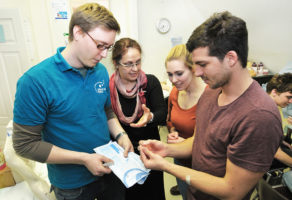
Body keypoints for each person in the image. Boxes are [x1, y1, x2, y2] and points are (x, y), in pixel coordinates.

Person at [139, 11, 282, 200]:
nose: (197, 73)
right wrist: (167, 150)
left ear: (230, 58)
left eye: (203, 64)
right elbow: (199, 140)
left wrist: (167, 166)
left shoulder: (259, 116)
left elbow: (232, 191)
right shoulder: (211, 91)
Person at [12, 3, 133, 200]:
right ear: (78, 32)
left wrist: (121, 135)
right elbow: (25, 144)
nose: (104, 55)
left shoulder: (100, 71)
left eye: (108, 48)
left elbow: (106, 110)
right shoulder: (35, 81)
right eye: (100, 45)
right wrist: (84, 159)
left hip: (111, 168)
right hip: (72, 185)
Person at [110, 37, 167, 200]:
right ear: (116, 63)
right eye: (128, 64)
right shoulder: (108, 88)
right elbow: (107, 119)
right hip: (124, 155)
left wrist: (150, 118)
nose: (135, 68)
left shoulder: (150, 83)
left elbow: (163, 113)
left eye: (138, 62)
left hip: (149, 151)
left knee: (153, 194)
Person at [165, 44, 206, 199]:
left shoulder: (209, 96)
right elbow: (171, 121)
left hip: (202, 165)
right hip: (181, 160)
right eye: (169, 74)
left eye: (179, 73)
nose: (173, 80)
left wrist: (187, 143)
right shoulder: (175, 92)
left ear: (193, 69)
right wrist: (173, 133)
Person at [266, 73, 292, 168]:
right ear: (274, 92)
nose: (291, 101)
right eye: (288, 97)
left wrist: (280, 140)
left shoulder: (274, 106)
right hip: (257, 158)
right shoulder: (267, 113)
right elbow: (276, 154)